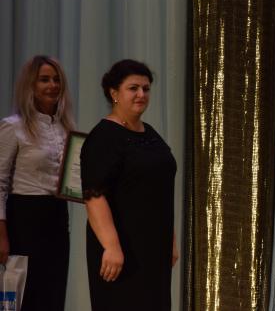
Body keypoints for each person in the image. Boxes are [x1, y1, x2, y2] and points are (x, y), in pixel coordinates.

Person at [80, 60, 177, 311]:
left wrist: (170, 240)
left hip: (153, 248)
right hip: (121, 249)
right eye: (133, 88)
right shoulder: (103, 136)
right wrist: (111, 246)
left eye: (146, 88)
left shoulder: (150, 133)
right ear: (114, 93)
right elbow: (93, 195)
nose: (141, 94)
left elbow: (159, 192)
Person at [0, 56, 75, 311]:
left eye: (56, 80)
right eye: (44, 80)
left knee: (53, 293)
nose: (52, 85)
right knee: (25, 295)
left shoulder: (66, 128)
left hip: (57, 217)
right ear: (30, 85)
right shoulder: (13, 127)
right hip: (24, 218)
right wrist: (1, 235)